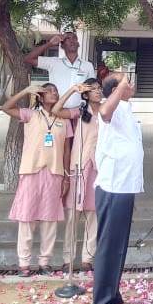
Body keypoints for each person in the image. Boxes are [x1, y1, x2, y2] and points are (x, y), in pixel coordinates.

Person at [3, 83, 72, 277]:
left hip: (55, 173)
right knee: (27, 218)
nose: (54, 93)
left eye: (56, 91)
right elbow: (6, 108)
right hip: (31, 171)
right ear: (40, 96)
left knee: (50, 219)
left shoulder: (63, 119)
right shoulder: (30, 114)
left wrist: (66, 177)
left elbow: (66, 150)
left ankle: (44, 262)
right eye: (49, 91)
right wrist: (25, 91)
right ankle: (24, 263)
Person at [93, 73, 143, 304]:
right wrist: (120, 85)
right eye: (126, 82)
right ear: (116, 90)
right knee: (109, 246)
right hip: (113, 186)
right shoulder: (110, 108)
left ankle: (112, 294)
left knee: (118, 245)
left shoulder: (125, 108)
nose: (131, 84)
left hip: (125, 185)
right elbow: (104, 112)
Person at [52, 78, 103, 272]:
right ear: (86, 94)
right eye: (93, 89)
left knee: (93, 214)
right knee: (73, 215)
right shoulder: (80, 111)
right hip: (79, 167)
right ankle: (68, 258)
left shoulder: (107, 111)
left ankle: (88, 258)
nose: (98, 91)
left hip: (98, 168)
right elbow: (56, 110)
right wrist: (73, 90)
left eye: (99, 88)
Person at [24, 32, 96, 109]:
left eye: (74, 38)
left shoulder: (87, 65)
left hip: (79, 112)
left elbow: (92, 89)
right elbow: (28, 59)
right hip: (55, 111)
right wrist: (50, 44)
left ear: (78, 44)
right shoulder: (54, 62)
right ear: (62, 46)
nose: (72, 41)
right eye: (68, 39)